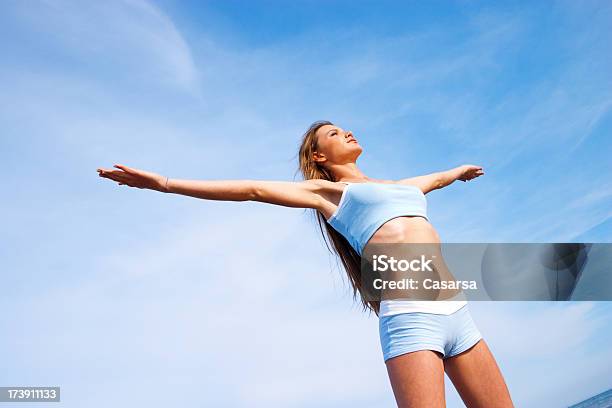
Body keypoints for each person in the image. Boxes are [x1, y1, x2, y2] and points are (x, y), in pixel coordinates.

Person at [97, 120, 514, 407]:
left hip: (456, 311)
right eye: (334, 133)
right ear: (318, 157)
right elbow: (253, 190)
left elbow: (435, 179)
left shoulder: (399, 187)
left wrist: (458, 171)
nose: (347, 132)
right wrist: (166, 184)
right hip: (411, 319)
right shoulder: (329, 195)